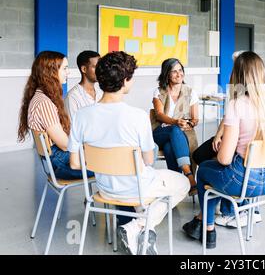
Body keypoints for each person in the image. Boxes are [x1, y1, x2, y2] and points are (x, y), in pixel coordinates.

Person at [68, 51, 190, 255]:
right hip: (137, 190)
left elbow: (74, 163)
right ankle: (138, 226)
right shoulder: (137, 117)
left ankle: (137, 224)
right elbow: (149, 160)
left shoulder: (81, 116)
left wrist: (105, 163)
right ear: (125, 81)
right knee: (183, 183)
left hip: (105, 190)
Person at [182, 51, 265, 249]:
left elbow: (224, 159)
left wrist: (225, 143)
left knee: (204, 169)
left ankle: (208, 229)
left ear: (237, 76)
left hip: (244, 181)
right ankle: (201, 222)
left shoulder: (237, 105)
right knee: (214, 168)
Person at [17, 51, 94, 180]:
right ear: (50, 72)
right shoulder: (44, 103)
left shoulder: (40, 97)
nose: (68, 72)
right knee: (110, 165)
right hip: (61, 164)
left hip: (55, 161)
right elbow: (64, 144)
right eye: (65, 68)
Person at [151, 58, 199, 196]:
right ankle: (189, 176)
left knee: (169, 147)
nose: (179, 74)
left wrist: (189, 123)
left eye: (180, 70)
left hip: (179, 133)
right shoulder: (159, 91)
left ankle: (176, 187)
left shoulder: (190, 92)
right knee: (174, 129)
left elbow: (195, 119)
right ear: (166, 74)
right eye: (174, 71)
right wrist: (176, 122)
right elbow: (159, 115)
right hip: (160, 132)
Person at [64, 50, 102, 121]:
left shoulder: (101, 93)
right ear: (84, 69)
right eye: (96, 67)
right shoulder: (72, 97)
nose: (100, 70)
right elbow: (72, 128)